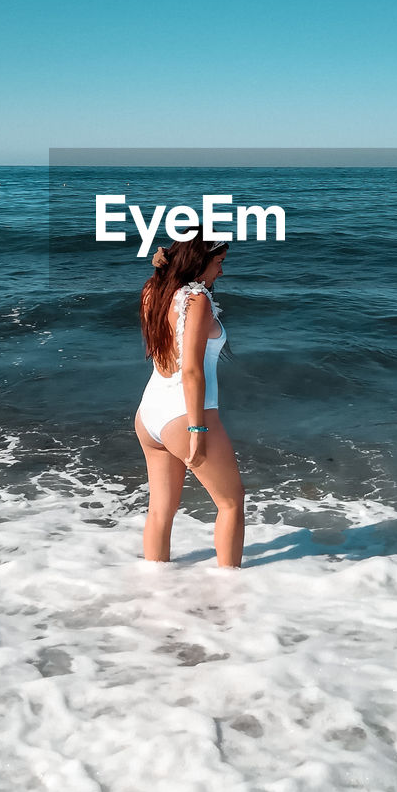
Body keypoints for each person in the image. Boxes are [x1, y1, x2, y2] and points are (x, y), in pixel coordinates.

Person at [134, 231, 245, 567]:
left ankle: (154, 587)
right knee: (231, 503)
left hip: (150, 413)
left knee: (160, 511)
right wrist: (198, 431)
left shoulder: (153, 290)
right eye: (219, 263)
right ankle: (230, 594)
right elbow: (192, 371)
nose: (221, 272)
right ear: (200, 262)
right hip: (184, 417)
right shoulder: (197, 301)